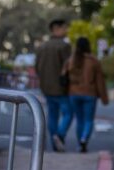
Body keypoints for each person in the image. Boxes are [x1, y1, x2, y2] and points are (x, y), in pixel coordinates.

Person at [63, 36, 108, 152]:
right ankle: (84, 140)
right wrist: (104, 98)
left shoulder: (71, 60)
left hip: (73, 93)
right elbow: (100, 81)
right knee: (89, 120)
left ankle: (80, 143)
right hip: (89, 94)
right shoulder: (93, 61)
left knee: (79, 120)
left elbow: (63, 76)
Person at [35, 19, 72, 151]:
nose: (66, 31)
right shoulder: (64, 46)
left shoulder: (42, 47)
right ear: (57, 29)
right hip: (61, 87)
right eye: (64, 28)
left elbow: (37, 67)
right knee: (68, 113)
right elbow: (69, 66)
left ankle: (54, 143)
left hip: (46, 87)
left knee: (52, 115)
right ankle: (60, 136)